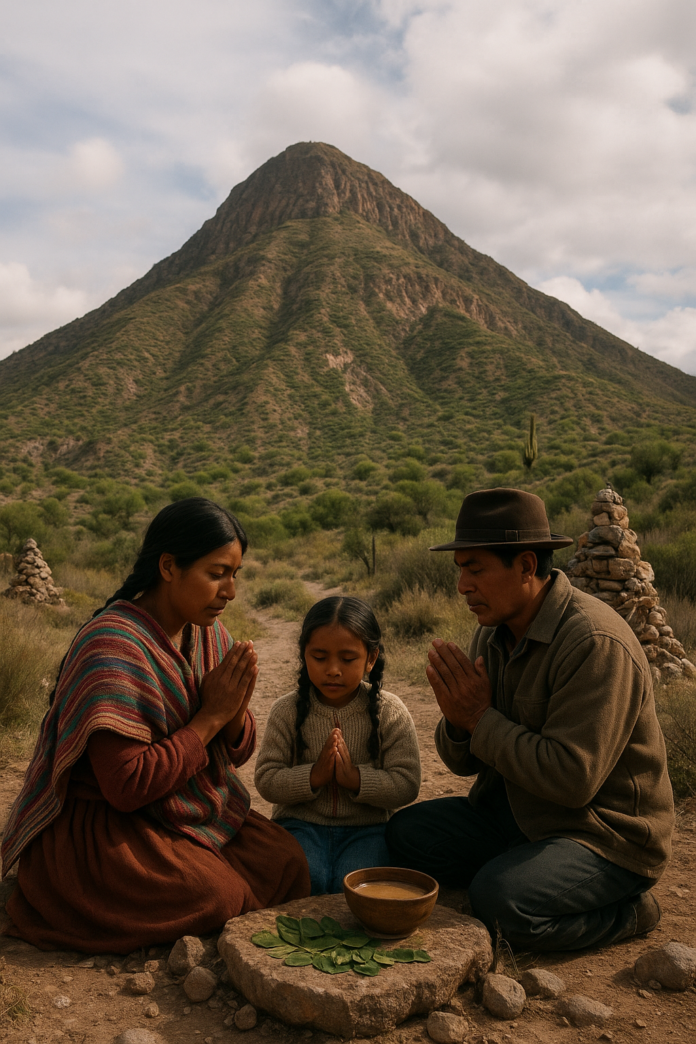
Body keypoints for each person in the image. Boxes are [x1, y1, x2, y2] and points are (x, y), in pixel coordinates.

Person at [1, 498, 310, 953]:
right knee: (219, 894)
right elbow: (126, 786)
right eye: (217, 573)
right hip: (106, 826)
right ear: (169, 567)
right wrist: (210, 717)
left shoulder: (208, 633)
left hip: (182, 807)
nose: (230, 591)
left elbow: (238, 751)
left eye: (235, 574)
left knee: (285, 861)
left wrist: (232, 713)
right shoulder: (111, 646)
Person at [386, 487, 674, 951]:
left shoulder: (594, 642)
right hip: (517, 816)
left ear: (524, 565)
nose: (462, 586)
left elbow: (572, 780)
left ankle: (630, 912)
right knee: (405, 835)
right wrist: (459, 721)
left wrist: (479, 720)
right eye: (460, 571)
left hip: (601, 833)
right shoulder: (494, 633)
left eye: (475, 569)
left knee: (499, 902)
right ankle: (528, 869)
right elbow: (463, 763)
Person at [255, 596, 421, 894]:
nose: (333, 670)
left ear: (371, 658)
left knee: (355, 890)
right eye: (319, 657)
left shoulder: (389, 711)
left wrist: (354, 779)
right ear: (303, 655)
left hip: (368, 829)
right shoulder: (286, 710)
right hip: (300, 826)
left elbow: (407, 783)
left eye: (347, 659)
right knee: (310, 882)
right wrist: (313, 776)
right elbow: (267, 780)